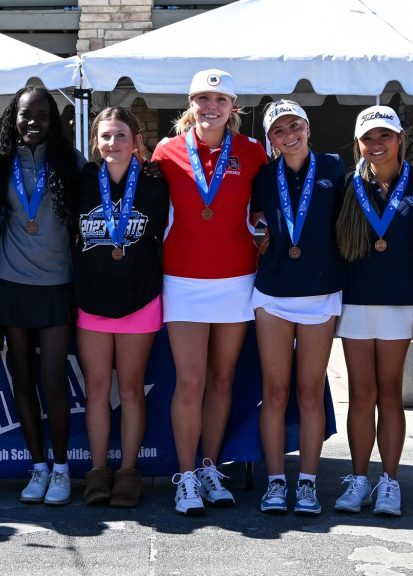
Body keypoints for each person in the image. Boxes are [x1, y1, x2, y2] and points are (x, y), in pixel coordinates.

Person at [150, 69, 266, 515]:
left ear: (232, 108)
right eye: (202, 98)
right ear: (190, 104)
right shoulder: (167, 151)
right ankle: (185, 478)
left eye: (219, 100)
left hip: (237, 279)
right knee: (191, 380)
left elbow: (265, 207)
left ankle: (210, 468)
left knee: (222, 381)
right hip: (182, 280)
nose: (210, 107)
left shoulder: (253, 152)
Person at [333, 106, 413, 517]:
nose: (377, 145)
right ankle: (359, 479)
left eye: (384, 136)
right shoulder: (345, 185)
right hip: (354, 299)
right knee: (361, 392)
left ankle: (388, 482)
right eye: (368, 138)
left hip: (398, 299)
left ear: (399, 139)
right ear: (358, 143)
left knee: (390, 392)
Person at [0, 86, 83, 505]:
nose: (33, 123)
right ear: (14, 117)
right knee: (21, 379)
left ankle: (62, 469)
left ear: (53, 120)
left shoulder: (70, 162)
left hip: (57, 285)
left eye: (42, 115)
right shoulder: (0, 163)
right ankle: (38, 466)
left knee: (54, 379)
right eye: (26, 115)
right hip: (12, 283)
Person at [251, 99, 345, 516]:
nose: (288, 135)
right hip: (272, 292)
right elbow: (253, 220)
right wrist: (258, 233)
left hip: (321, 292)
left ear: (308, 128)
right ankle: (275, 482)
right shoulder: (262, 176)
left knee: (310, 392)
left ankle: (306, 483)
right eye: (278, 130)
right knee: (275, 391)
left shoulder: (333, 168)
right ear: (270, 139)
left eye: (295, 126)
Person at [75, 107, 167, 507]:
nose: (113, 144)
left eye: (121, 136)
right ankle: (98, 471)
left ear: (136, 141)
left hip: (140, 300)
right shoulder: (80, 183)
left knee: (130, 390)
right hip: (91, 302)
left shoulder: (154, 184)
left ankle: (128, 471)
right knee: (96, 390)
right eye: (106, 136)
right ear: (96, 142)